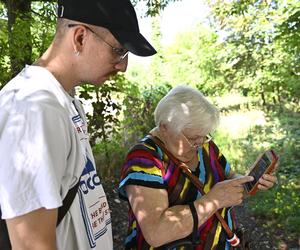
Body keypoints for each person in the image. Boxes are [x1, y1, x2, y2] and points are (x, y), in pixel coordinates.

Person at [0, 0, 156, 249]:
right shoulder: (35, 107)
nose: (124, 66)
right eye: (118, 50)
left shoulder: (63, 99)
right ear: (80, 38)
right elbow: (31, 244)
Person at [119, 85, 277, 249]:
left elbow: (229, 177)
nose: (199, 144)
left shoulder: (206, 147)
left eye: (204, 136)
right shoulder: (144, 159)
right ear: (164, 127)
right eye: (193, 138)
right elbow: (156, 233)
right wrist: (213, 201)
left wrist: (249, 181)